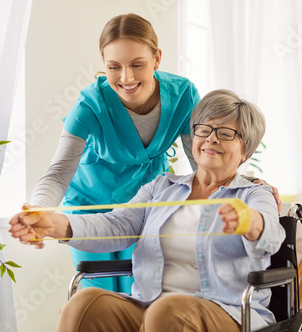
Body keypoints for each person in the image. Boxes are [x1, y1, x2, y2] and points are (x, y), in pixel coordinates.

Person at [30, 13, 280, 293]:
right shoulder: (90, 105)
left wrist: (245, 185)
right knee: (95, 290)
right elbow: (58, 172)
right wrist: (36, 211)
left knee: (141, 285)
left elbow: (204, 156)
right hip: (90, 202)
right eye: (114, 67)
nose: (126, 78)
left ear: (157, 58)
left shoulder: (182, 95)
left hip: (147, 203)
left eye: (137, 64)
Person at [9, 89, 286, 331]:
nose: (211, 139)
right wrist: (55, 225)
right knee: (84, 303)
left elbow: (271, 235)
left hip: (227, 311)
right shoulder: (161, 187)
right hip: (151, 306)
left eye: (225, 133)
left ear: (245, 150)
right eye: (204, 130)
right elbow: (116, 226)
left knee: (168, 312)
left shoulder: (254, 194)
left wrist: (249, 222)